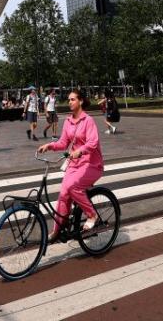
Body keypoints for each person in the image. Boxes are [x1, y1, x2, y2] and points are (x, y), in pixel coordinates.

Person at [37, 89, 104, 241]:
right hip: (74, 165)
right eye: (68, 100)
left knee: (74, 187)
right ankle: (58, 230)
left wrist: (80, 151)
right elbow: (63, 142)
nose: (70, 102)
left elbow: (93, 143)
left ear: (80, 101)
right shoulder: (68, 121)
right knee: (63, 195)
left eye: (73, 99)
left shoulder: (88, 120)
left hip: (91, 164)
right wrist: (50, 145)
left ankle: (92, 215)